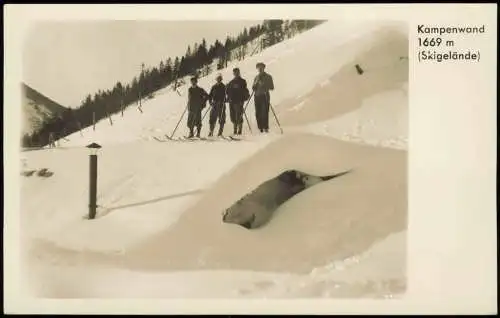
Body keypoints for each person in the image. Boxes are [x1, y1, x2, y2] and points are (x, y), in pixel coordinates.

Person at [226, 67, 250, 135]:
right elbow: (228, 91)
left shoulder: (242, 81)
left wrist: (244, 97)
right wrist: (226, 87)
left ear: (239, 73)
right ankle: (235, 130)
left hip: (239, 101)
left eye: (237, 72)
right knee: (232, 116)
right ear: (233, 73)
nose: (236, 74)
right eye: (234, 72)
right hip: (232, 101)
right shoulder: (231, 82)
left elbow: (245, 89)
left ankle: (239, 131)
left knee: (238, 115)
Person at [252, 62, 274, 133]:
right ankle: (260, 128)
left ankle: (265, 127)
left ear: (264, 68)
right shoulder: (256, 77)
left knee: (264, 112)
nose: (260, 69)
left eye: (261, 67)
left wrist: (264, 86)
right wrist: (254, 86)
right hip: (257, 96)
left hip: (265, 95)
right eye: (258, 67)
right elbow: (253, 88)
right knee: (257, 113)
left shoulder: (268, 77)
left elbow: (272, 87)